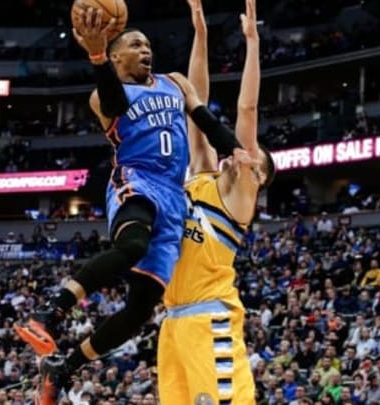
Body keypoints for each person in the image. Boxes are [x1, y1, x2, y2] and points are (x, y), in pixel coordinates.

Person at [15, 3, 251, 401]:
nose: (147, 51)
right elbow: (113, 102)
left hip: (174, 196)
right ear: (115, 55)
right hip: (136, 177)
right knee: (132, 245)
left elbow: (205, 119)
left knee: (141, 309)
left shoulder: (174, 82)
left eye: (148, 46)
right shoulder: (102, 95)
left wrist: (234, 149)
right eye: (136, 45)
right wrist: (94, 56)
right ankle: (50, 313)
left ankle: (63, 368)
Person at [157, 0, 274, 403]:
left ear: (258, 177)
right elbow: (195, 101)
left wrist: (253, 43)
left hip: (210, 318)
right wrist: (201, 35)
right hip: (172, 323)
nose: (246, 152)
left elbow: (247, 109)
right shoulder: (202, 174)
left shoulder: (238, 197)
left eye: (255, 156)